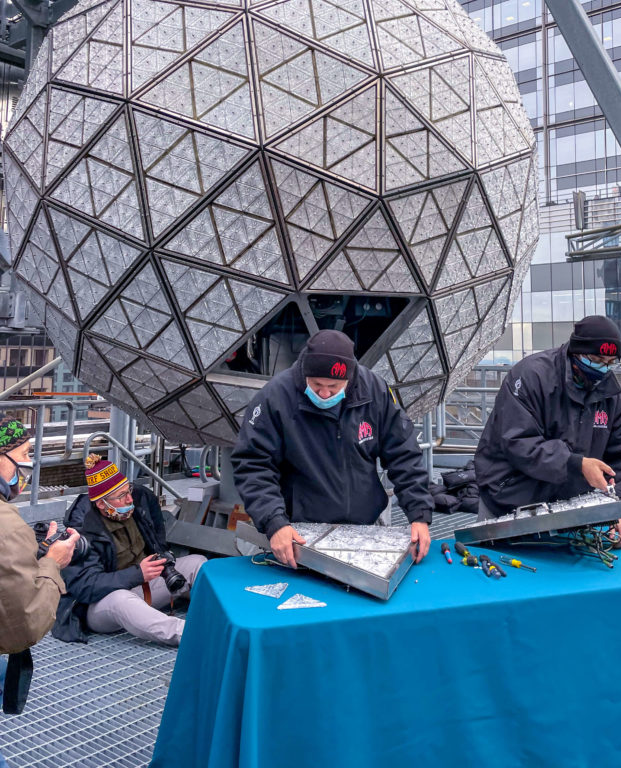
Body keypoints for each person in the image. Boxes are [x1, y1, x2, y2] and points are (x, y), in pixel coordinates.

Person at [232, 329, 433, 568]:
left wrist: (419, 514)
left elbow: (403, 454)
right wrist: (275, 523)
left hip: (364, 526)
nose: (324, 393)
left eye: (334, 386)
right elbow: (253, 465)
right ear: (305, 371)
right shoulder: (275, 397)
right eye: (316, 385)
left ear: (349, 379)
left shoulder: (375, 391)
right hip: (297, 533)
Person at [475, 315, 621, 546]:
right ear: (576, 353)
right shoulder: (530, 376)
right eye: (596, 360)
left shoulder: (612, 394)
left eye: (610, 362)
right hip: (510, 499)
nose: (603, 369)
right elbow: (518, 442)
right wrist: (576, 464)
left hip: (568, 508)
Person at [53, 456, 206, 647]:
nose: (130, 499)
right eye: (121, 496)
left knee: (198, 563)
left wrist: (163, 560)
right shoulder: (80, 532)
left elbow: (158, 536)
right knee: (121, 600)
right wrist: (137, 574)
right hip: (101, 603)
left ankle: (225, 614)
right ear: (101, 504)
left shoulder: (140, 503)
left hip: (143, 585)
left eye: (129, 491)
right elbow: (84, 587)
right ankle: (191, 635)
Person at [0, 419, 79, 768]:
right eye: (25, 455)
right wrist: (52, 563)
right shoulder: (6, 525)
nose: (27, 466)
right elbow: (24, 627)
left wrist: (31, 551)